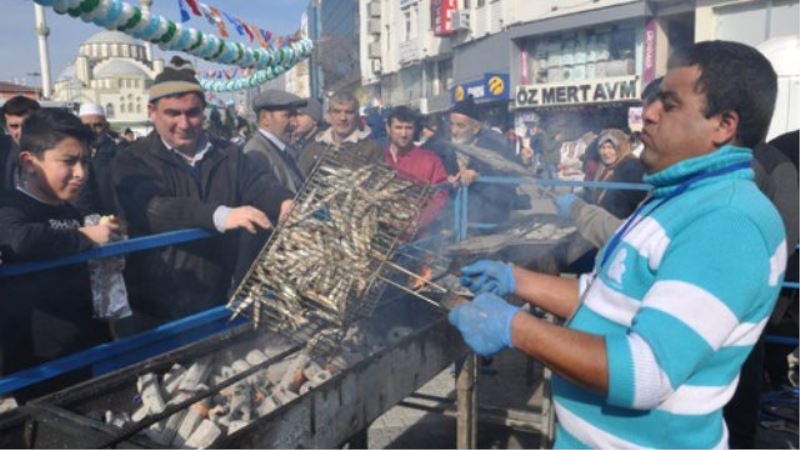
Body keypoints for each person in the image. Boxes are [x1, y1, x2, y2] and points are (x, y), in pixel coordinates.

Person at [449, 41, 787, 448]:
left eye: (670, 104)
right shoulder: (675, 199)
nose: (648, 113)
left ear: (723, 125)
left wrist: (514, 326)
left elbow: (646, 372)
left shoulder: (728, 221)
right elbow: (605, 297)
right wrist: (514, 279)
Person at [111, 56, 294, 333]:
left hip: (219, 297)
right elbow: (154, 207)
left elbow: (258, 184)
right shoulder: (131, 160)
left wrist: (283, 201)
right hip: (158, 309)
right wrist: (220, 215)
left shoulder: (228, 154)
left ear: (204, 111)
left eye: (192, 113)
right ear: (153, 112)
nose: (184, 124)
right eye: (173, 113)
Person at [0, 109, 117, 400]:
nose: (81, 173)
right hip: (37, 361)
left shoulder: (71, 210)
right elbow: (19, 240)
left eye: (85, 162)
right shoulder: (12, 206)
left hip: (83, 344)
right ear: (29, 162)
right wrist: (84, 237)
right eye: (69, 162)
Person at [447, 95, 520, 226]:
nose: (454, 131)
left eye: (460, 126)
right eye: (451, 124)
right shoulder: (447, 148)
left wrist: (479, 175)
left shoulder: (495, 145)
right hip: (454, 220)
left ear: (476, 128)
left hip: (489, 221)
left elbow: (508, 177)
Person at [383, 106, 449, 232]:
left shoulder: (430, 160)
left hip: (418, 238)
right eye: (398, 128)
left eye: (408, 128)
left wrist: (419, 222)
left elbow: (441, 195)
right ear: (388, 128)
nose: (403, 134)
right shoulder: (379, 157)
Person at [296, 91, 383, 176]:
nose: (343, 118)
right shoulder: (312, 150)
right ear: (329, 115)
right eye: (337, 112)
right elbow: (299, 185)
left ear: (357, 116)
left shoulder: (372, 149)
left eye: (349, 112)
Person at [243, 90, 307, 194]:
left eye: (295, 115)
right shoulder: (256, 152)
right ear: (265, 118)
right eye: (288, 116)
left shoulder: (282, 150)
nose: (295, 123)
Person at [78, 103, 120, 215]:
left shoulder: (119, 154)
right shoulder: (70, 155)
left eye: (97, 125)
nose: (92, 130)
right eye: (86, 126)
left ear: (106, 127)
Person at [1, 96, 40, 191]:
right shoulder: (3, 149)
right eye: (14, 126)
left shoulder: (54, 149)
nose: (21, 131)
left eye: (26, 125)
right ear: (6, 127)